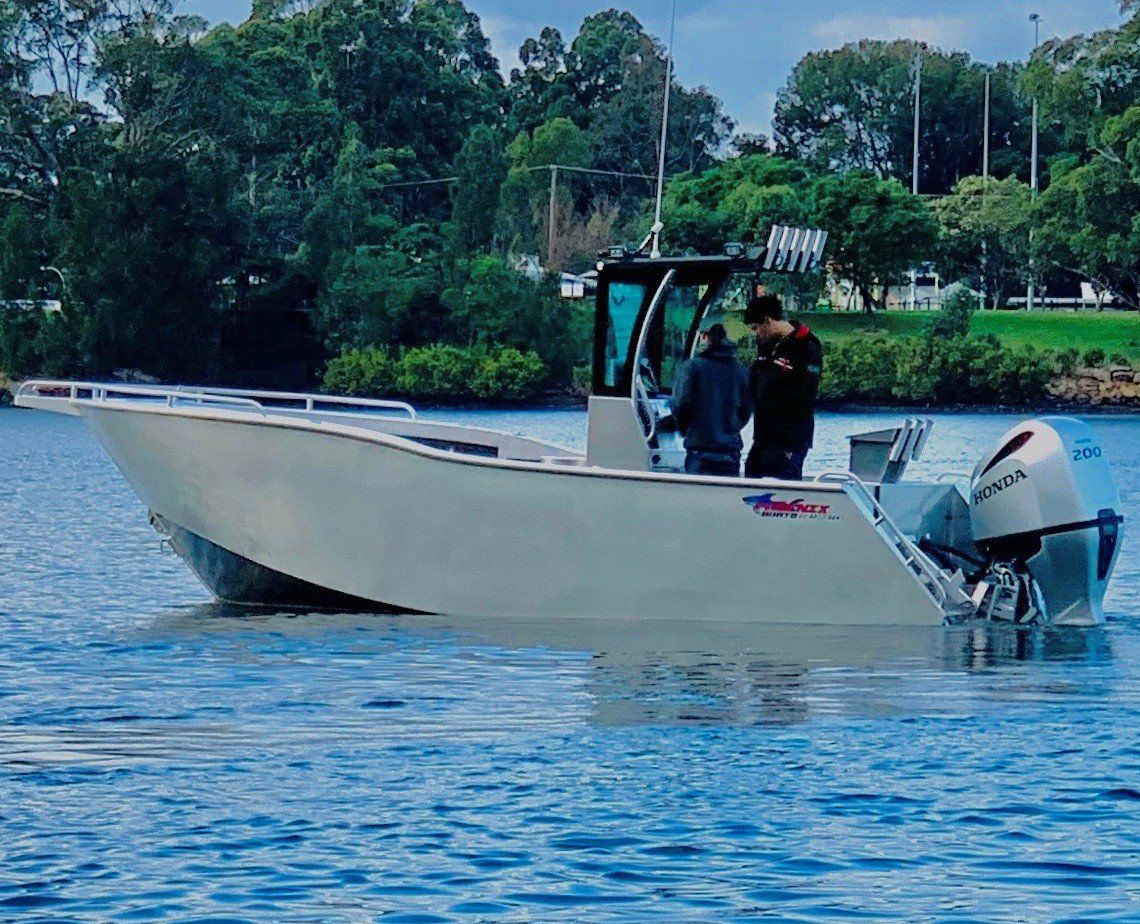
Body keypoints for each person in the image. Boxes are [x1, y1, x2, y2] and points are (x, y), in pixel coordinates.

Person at [742, 294, 823, 480]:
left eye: (756, 327)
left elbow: (807, 392)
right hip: (764, 433)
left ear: (767, 321)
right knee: (751, 474)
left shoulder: (807, 346)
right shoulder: (768, 346)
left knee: (787, 487)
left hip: (791, 435)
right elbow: (755, 383)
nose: (755, 333)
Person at [670, 323, 751, 476]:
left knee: (698, 498)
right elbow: (746, 409)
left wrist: (685, 429)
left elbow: (682, 404)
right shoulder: (740, 371)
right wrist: (731, 426)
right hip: (730, 451)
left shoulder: (692, 367)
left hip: (699, 448)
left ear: (705, 337)